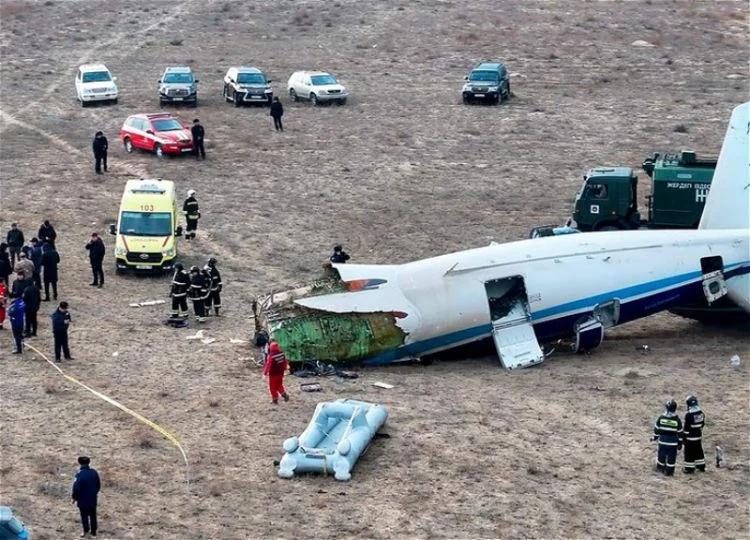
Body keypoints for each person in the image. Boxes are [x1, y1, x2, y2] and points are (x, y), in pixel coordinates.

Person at [71, 456, 101, 538]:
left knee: (84, 516)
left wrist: (74, 497)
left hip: (83, 499)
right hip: (92, 498)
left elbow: (76, 488)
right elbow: (98, 485)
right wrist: (94, 493)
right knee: (93, 515)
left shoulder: (79, 474)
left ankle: (86, 531)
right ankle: (94, 531)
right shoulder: (94, 472)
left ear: (79, 463)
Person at [653, 398, 682, 477]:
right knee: (671, 458)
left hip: (662, 441)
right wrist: (680, 443)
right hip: (673, 443)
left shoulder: (661, 418)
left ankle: (660, 468)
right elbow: (680, 432)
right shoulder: (677, 420)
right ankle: (669, 472)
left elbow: (656, 429)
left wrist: (655, 437)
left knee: (661, 455)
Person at [682, 395, 706, 473]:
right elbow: (702, 424)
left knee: (689, 453)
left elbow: (686, 428)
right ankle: (701, 466)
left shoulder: (689, 415)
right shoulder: (701, 413)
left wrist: (684, 438)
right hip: (698, 436)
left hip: (690, 438)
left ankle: (689, 468)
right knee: (699, 451)